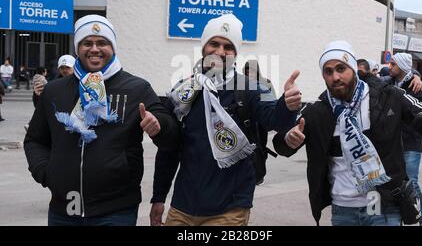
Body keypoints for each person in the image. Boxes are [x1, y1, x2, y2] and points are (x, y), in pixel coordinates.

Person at [24, 14, 180, 226]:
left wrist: (159, 126)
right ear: (78, 48)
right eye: (87, 43)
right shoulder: (54, 90)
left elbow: (171, 137)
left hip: (116, 211)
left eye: (102, 43)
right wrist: (46, 172)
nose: (95, 49)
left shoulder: (137, 88)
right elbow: (35, 140)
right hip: (63, 211)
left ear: (113, 47)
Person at [150, 14, 301, 226]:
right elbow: (170, 149)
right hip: (182, 208)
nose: (220, 52)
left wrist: (287, 105)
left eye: (228, 47)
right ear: (203, 47)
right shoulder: (183, 91)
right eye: (214, 43)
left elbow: (275, 118)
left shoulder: (253, 87)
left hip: (228, 211)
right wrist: (158, 197)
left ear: (235, 54)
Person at [272, 41, 422, 226]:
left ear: (353, 68)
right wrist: (288, 136)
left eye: (341, 68)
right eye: (328, 71)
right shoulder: (318, 110)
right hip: (342, 208)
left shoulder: (387, 96)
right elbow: (281, 140)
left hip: (377, 201)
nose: (335, 77)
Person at [389, 52, 422, 225]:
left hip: (412, 142)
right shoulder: (390, 82)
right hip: (392, 142)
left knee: (412, 182)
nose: (389, 67)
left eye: (393, 64)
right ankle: (399, 216)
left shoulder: (418, 88)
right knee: (395, 183)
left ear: (401, 66)